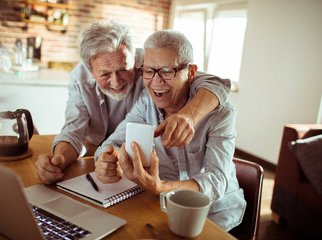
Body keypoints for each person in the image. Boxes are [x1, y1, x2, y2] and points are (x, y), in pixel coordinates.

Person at [35, 21, 231, 184]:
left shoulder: (150, 61)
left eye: (123, 69)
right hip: (109, 158)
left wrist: (188, 115)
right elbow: (73, 130)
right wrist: (59, 160)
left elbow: (215, 83)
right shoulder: (81, 78)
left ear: (135, 61)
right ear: (91, 71)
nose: (116, 82)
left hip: (151, 167)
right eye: (105, 74)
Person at [94, 30, 245, 231]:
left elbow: (216, 181)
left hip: (215, 216)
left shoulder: (221, 113)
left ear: (191, 73)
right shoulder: (145, 103)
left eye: (167, 71)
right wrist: (106, 160)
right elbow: (109, 145)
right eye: (148, 71)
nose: (156, 81)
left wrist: (161, 187)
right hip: (161, 210)